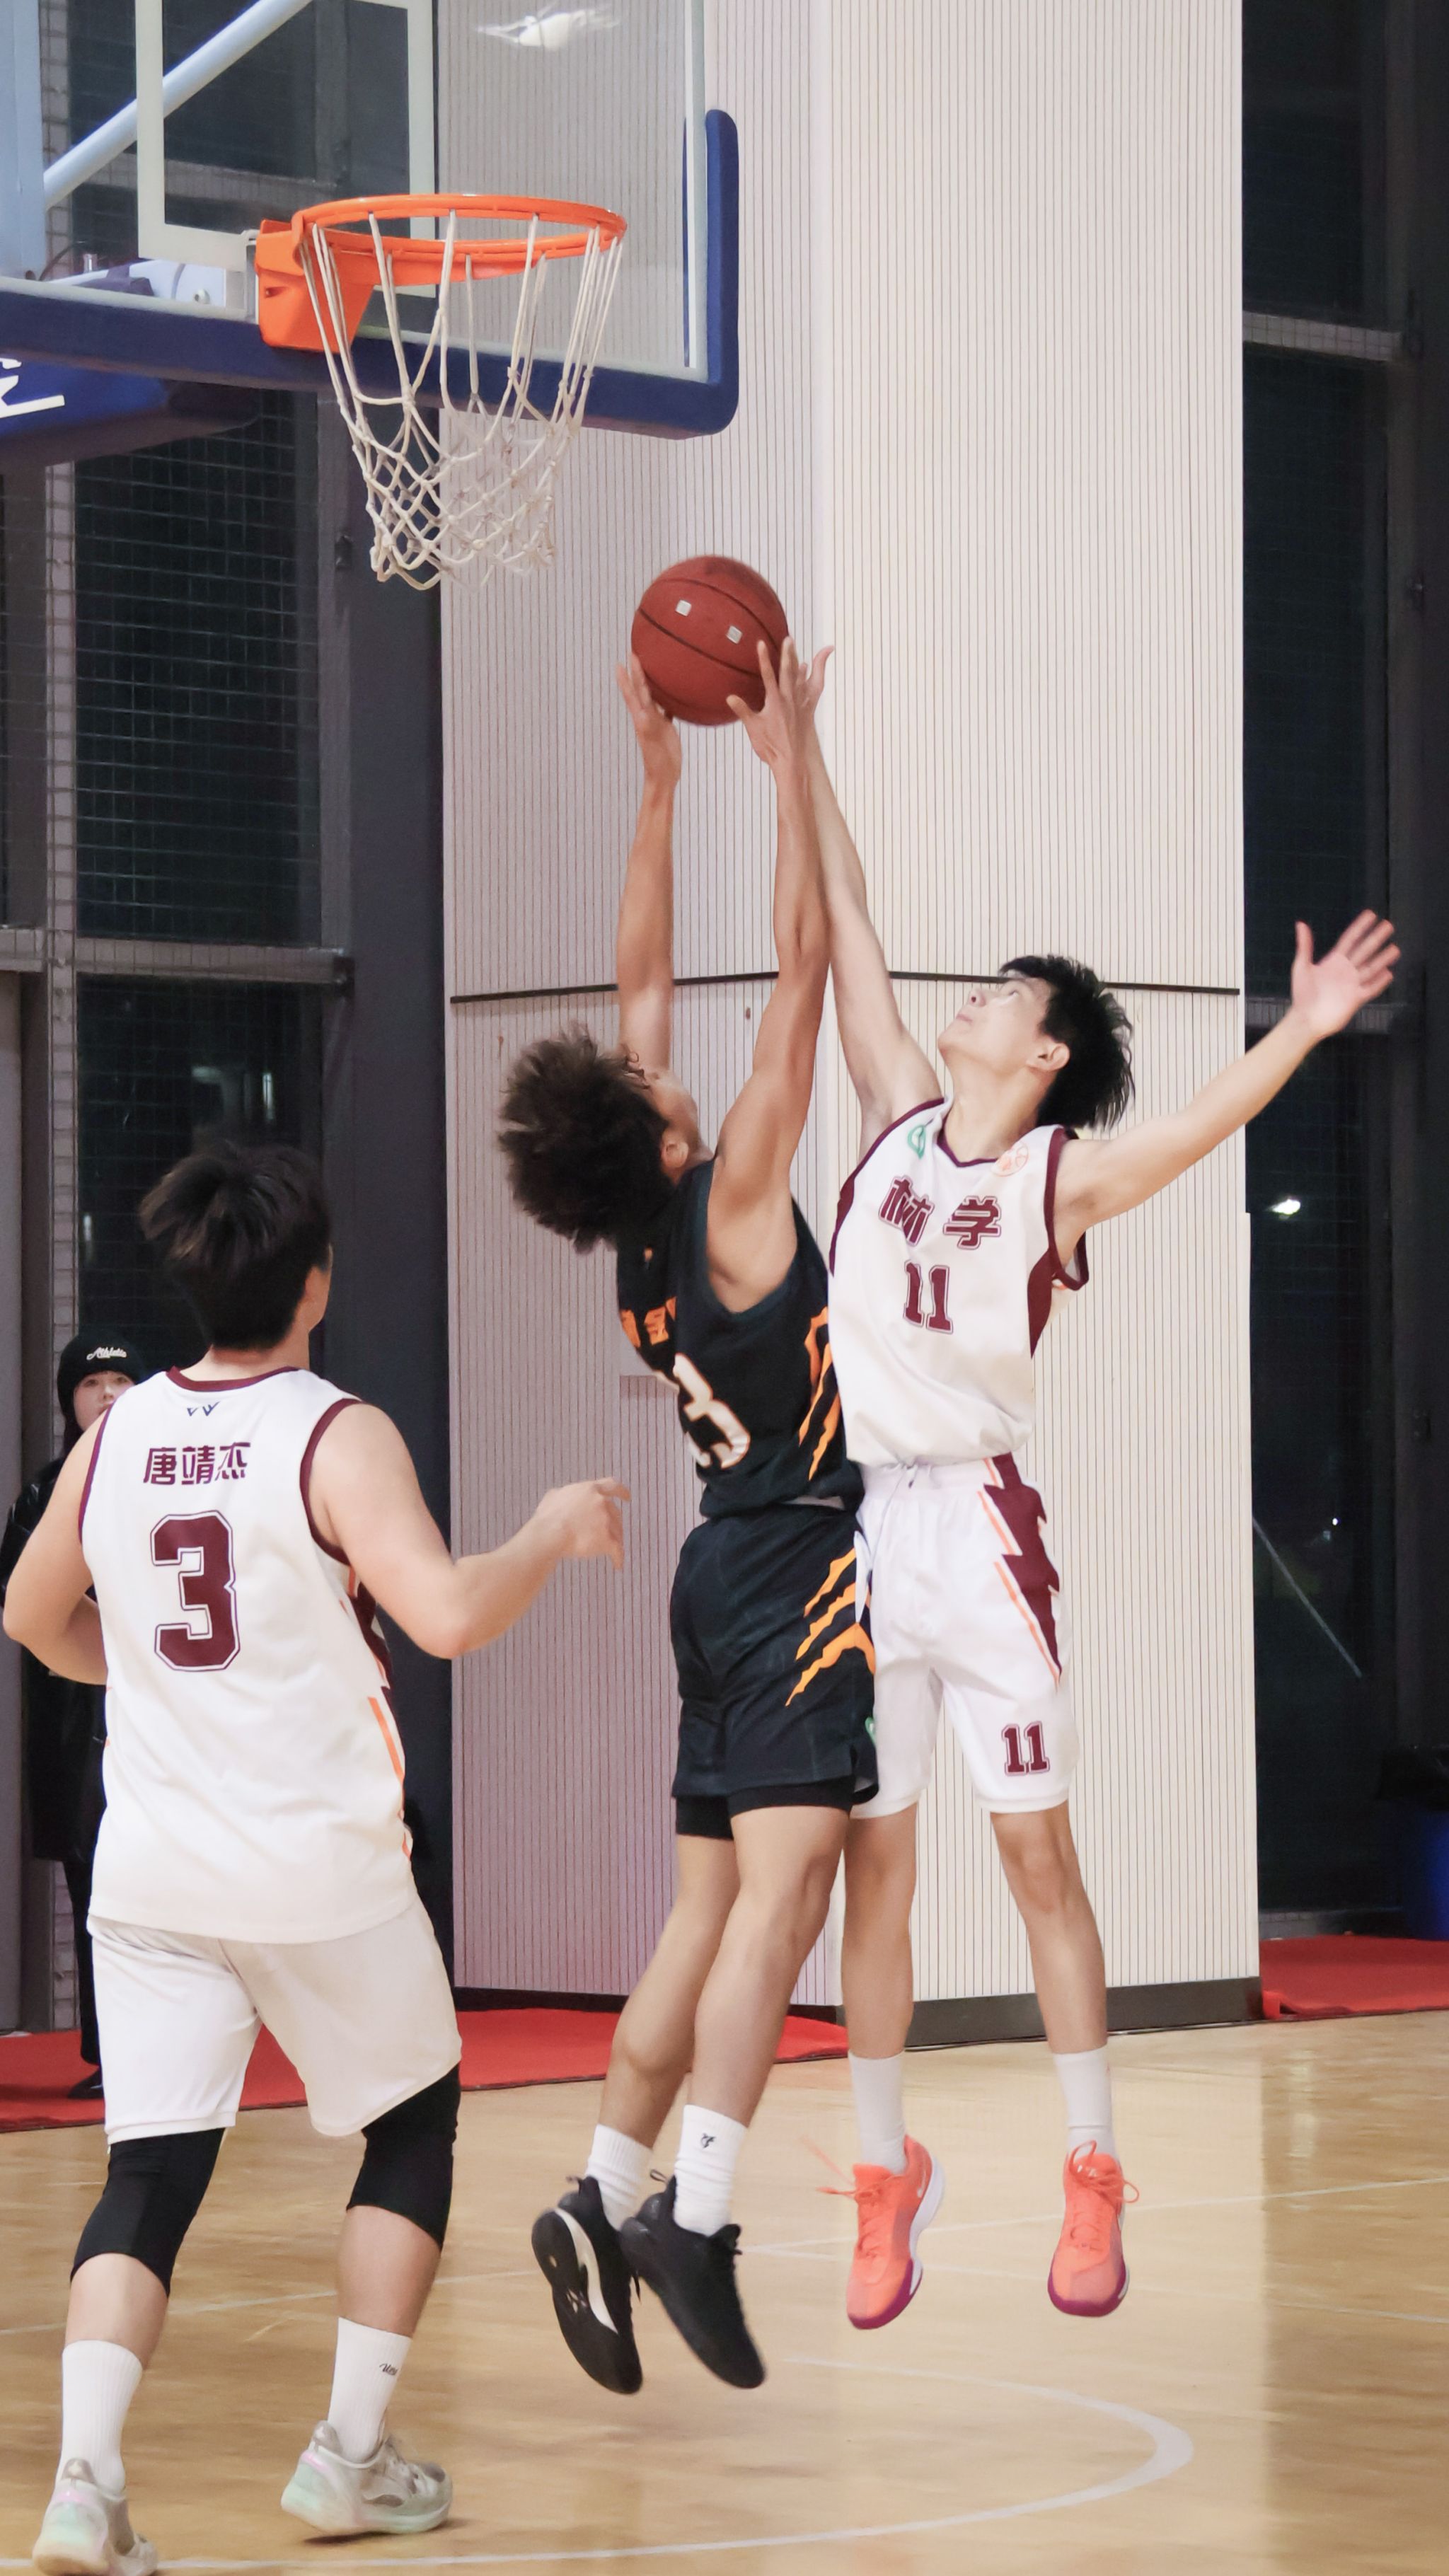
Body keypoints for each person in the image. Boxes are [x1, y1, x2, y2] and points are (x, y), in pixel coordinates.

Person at [810, 724, 1397, 2328]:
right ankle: (881, 2172)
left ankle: (1089, 2165)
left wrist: (1306, 1026)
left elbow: (1193, 1127)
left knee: (1036, 1861)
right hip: (857, 1537)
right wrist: (798, 753)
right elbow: (847, 929)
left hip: (978, 1538)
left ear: (1046, 1050)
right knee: (873, 1874)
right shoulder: (888, 1120)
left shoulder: (1055, 1182)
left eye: (1004, 993)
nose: (973, 997)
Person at [4, 1142, 625, 2576]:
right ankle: (348, 2452)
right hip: (314, 1865)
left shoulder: (116, 1436)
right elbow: (447, 1614)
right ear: (317, 1284)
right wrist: (545, 1530)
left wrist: (145, 1675)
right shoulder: (334, 1431)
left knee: (147, 2176)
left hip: (151, 1873)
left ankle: (86, 2484)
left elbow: (32, 1615)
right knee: (410, 2122)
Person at [499, 641, 876, 2394]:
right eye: (652, 1083)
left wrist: (658, 785)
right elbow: (800, 963)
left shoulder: (643, 1234)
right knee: (780, 1909)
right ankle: (694, 2218)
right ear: (657, 1139)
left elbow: (639, 977)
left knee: (698, 1913)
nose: (664, 1063)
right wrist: (785, 767)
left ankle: (597, 2189)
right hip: (791, 1556)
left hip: (713, 1566)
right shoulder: (729, 1197)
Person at [0, 1334, 147, 2101]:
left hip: (154, 1714)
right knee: (93, 1887)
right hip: (73, 1722)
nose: (110, 1393)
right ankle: (111, 2053)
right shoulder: (45, 1492)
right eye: (93, 1382)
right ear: (68, 1399)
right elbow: (20, 1597)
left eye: (123, 1378)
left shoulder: (165, 1477)